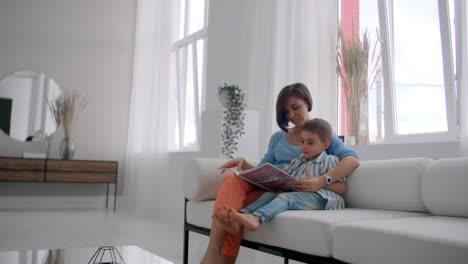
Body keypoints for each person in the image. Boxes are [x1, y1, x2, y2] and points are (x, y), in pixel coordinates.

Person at [200, 83, 359, 264]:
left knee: (234, 204)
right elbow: (264, 169)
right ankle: (214, 253)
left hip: (292, 191)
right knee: (231, 178)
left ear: (307, 102)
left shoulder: (321, 133)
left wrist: (321, 181)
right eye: (285, 112)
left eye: (295, 107)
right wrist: (245, 165)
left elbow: (352, 159)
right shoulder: (277, 137)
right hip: (270, 187)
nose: (290, 115)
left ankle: (218, 258)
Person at [223, 118, 344, 233]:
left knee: (286, 198)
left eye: (310, 143)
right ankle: (241, 218)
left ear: (325, 145)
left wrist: (318, 183)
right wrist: (275, 178)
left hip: (323, 199)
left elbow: (343, 188)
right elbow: (286, 174)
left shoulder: (330, 160)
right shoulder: (299, 160)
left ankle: (256, 218)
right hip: (299, 195)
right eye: (302, 141)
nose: (304, 146)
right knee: (270, 194)